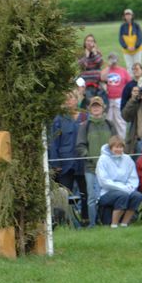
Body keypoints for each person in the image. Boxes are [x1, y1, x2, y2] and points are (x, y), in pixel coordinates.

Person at [76, 96, 117, 227]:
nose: (96, 108)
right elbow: (80, 146)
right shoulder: (85, 126)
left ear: (103, 107)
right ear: (89, 108)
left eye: (98, 106)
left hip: (108, 169)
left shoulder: (110, 124)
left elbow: (116, 144)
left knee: (109, 195)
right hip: (90, 169)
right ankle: (92, 224)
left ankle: (107, 221)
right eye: (93, 106)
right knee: (91, 198)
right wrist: (89, 157)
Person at [49, 91, 88, 223]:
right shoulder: (58, 119)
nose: (68, 101)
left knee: (85, 192)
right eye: (65, 99)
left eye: (71, 98)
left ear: (77, 100)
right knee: (64, 192)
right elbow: (53, 142)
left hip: (82, 162)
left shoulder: (84, 117)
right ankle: (63, 221)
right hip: (65, 162)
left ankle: (86, 219)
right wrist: (56, 163)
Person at [96, 136, 142, 228]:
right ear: (110, 148)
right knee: (122, 195)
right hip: (106, 193)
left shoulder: (127, 159)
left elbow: (133, 178)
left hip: (126, 189)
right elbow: (104, 181)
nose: (119, 149)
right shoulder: (103, 159)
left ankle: (124, 223)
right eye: (116, 147)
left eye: (121, 147)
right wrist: (123, 188)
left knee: (137, 196)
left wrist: (130, 188)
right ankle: (114, 225)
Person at [100, 52, 131, 139]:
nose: (113, 60)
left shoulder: (122, 71)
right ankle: (110, 140)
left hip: (119, 98)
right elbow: (102, 78)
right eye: (111, 58)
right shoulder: (106, 70)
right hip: (108, 99)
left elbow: (129, 83)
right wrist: (108, 66)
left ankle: (122, 140)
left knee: (120, 120)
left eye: (114, 58)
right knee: (109, 119)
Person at [118, 9, 142, 75]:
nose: (128, 16)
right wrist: (126, 47)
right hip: (127, 51)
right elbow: (120, 38)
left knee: (137, 66)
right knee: (129, 67)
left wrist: (136, 46)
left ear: (132, 16)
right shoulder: (122, 26)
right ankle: (131, 81)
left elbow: (140, 36)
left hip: (137, 50)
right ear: (124, 16)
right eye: (126, 15)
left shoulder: (136, 25)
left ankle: (139, 80)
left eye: (129, 14)